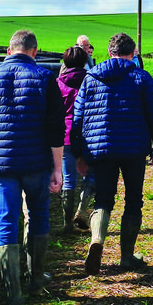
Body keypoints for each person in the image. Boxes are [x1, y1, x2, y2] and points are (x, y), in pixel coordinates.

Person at [0, 30, 65, 305]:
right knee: (37, 215)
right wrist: (57, 167)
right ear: (35, 51)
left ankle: (13, 295)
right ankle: (36, 279)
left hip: (2, 164)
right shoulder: (46, 78)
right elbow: (56, 127)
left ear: (9, 51)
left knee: (7, 220)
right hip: (36, 162)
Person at [72, 33, 153, 275]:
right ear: (133, 52)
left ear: (109, 50)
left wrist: (79, 154)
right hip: (134, 149)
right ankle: (127, 256)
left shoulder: (91, 78)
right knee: (133, 199)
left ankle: (97, 240)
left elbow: (77, 119)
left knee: (104, 198)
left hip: (100, 148)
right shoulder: (142, 78)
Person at [57, 46, 96, 233]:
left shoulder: (57, 83)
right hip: (89, 135)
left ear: (65, 62)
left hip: (65, 135)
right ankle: (82, 209)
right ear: (84, 62)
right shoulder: (92, 81)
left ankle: (67, 223)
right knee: (91, 174)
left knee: (68, 178)